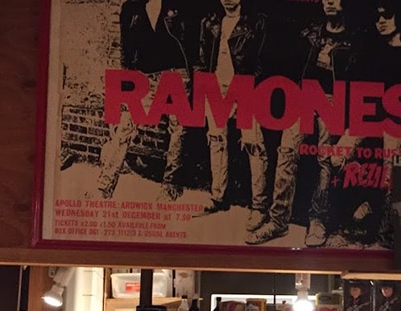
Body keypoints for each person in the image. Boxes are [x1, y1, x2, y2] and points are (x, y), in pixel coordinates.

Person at [246, 0, 363, 247]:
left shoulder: (355, 40)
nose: (329, 2)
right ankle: (278, 221)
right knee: (286, 152)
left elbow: (357, 82)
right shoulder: (311, 33)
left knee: (324, 161)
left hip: (334, 101)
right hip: (305, 96)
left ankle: (317, 220)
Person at [93, 0, 192, 201]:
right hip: (144, 77)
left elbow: (191, 39)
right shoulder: (131, 7)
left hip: (175, 74)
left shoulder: (179, 4)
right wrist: (126, 80)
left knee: (178, 129)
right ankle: (104, 186)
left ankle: (171, 185)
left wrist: (190, 73)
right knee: (125, 127)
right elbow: (126, 49)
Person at [197, 0, 269, 232]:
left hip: (244, 89)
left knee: (253, 145)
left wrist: (249, 88)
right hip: (216, 88)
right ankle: (218, 197)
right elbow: (201, 57)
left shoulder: (255, 23)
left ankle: (259, 206)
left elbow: (262, 63)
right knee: (216, 142)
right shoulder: (210, 23)